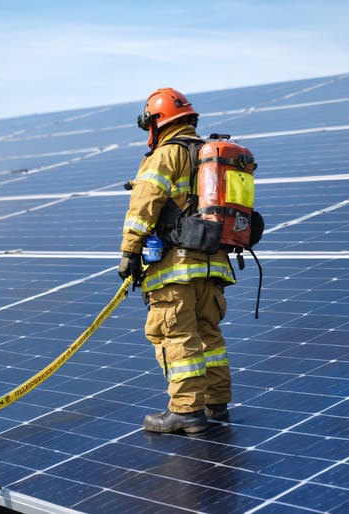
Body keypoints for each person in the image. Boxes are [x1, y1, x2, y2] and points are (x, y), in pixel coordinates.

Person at [118, 87, 235, 433]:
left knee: (176, 335)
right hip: (214, 264)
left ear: (157, 122)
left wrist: (129, 251)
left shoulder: (165, 155)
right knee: (208, 335)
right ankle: (216, 404)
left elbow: (144, 206)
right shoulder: (207, 153)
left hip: (175, 267)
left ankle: (185, 412)